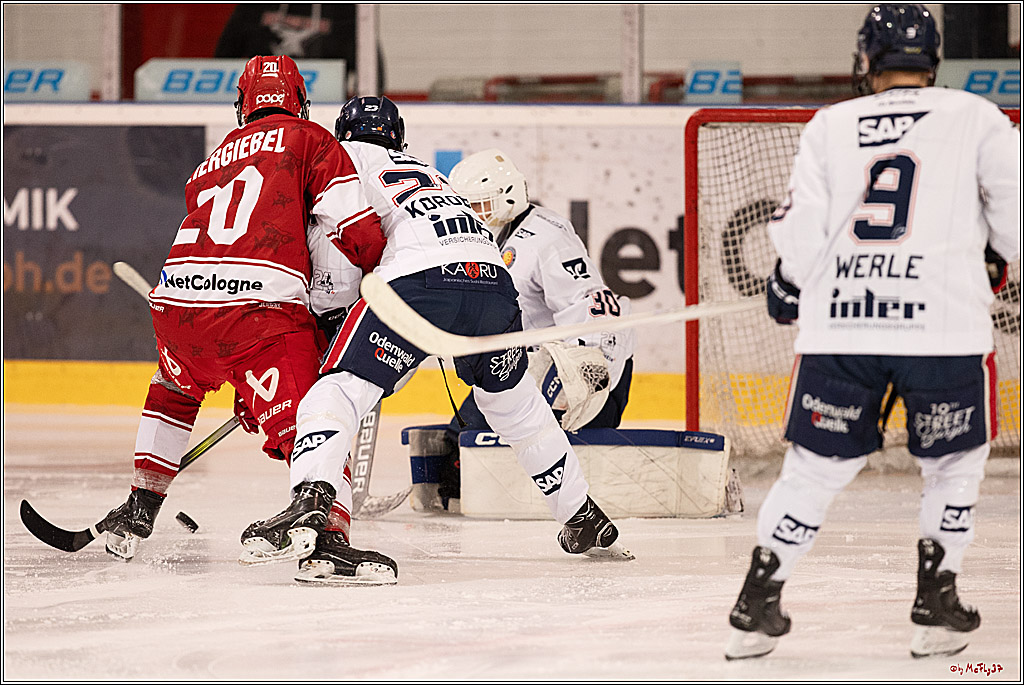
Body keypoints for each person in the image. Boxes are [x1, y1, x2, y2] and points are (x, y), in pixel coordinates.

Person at [724, 4, 1020, 661]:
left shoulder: (831, 124)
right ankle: (936, 602)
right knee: (953, 466)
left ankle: (755, 604)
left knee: (812, 469)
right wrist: (996, 256)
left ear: (867, 58)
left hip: (843, 326)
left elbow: (801, 230)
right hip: (943, 328)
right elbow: (1016, 213)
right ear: (932, 59)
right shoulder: (977, 116)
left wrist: (789, 283)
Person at [242, 96, 635, 584]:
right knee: (514, 405)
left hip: (419, 285)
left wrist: (323, 319)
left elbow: (336, 252)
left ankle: (310, 496)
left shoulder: (338, 160)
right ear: (398, 137)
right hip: (491, 284)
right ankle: (582, 514)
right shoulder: (428, 172)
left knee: (338, 390)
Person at [101, 55, 398, 585]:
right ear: (300, 102)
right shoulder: (311, 139)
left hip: (178, 306)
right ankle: (327, 540)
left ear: (243, 105)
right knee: (316, 420)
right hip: (259, 316)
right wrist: (385, 281)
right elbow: (353, 225)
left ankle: (140, 504)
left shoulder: (211, 160)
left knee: (174, 388)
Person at [424, 149, 636, 510]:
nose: (470, 214)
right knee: (460, 438)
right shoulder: (493, 234)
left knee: (498, 434)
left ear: (507, 198)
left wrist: (583, 378)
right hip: (530, 364)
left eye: (479, 204)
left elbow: (595, 309)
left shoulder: (546, 238)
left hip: (585, 371)